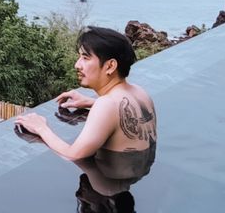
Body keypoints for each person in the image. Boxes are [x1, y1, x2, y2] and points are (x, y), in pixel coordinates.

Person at [12, 26, 157, 185]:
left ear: (110, 66)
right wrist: (91, 102)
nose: (77, 65)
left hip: (107, 188)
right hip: (135, 175)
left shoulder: (107, 105)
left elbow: (73, 155)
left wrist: (41, 128)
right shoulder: (139, 92)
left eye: (85, 58)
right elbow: (125, 115)